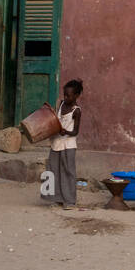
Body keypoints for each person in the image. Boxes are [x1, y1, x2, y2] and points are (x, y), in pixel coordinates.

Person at [47, 79, 83, 209]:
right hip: (56, 143)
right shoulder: (61, 104)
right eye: (65, 95)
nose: (66, 97)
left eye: (69, 95)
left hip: (68, 145)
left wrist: (65, 131)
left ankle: (69, 201)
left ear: (76, 96)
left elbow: (75, 132)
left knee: (68, 172)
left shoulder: (76, 111)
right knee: (53, 170)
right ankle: (54, 199)